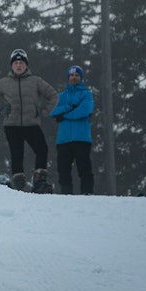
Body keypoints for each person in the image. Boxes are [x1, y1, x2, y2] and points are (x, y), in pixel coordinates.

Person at [0, 49, 58, 192]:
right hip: (12, 124)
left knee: (42, 149)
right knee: (17, 153)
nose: (18, 65)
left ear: (26, 65)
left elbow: (53, 95)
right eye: (16, 63)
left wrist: (45, 111)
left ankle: (40, 181)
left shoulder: (36, 81)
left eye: (21, 63)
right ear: (11, 66)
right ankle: (19, 184)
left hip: (32, 123)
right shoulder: (4, 83)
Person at [51, 65, 95, 194]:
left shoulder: (86, 94)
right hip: (63, 139)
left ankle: (87, 192)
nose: (74, 77)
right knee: (63, 169)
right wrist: (70, 107)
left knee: (84, 167)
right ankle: (66, 194)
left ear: (81, 78)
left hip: (82, 138)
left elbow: (84, 110)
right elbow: (52, 110)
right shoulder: (61, 96)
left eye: (77, 75)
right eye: (72, 75)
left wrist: (64, 115)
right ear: (68, 77)